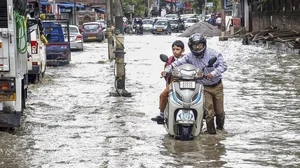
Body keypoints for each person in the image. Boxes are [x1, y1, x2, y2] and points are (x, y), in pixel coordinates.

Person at [159, 33, 227, 134]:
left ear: (204, 44)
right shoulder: (189, 57)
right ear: (191, 47)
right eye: (195, 45)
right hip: (203, 87)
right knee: (209, 112)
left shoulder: (213, 54)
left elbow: (223, 65)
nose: (198, 47)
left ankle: (220, 129)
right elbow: (177, 63)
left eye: (200, 45)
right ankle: (211, 134)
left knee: (220, 112)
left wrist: (213, 73)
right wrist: (167, 69)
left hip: (217, 86)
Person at [151, 40, 185, 123]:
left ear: (183, 50)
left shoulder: (187, 58)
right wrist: (164, 73)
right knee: (163, 95)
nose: (175, 51)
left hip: (188, 81)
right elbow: (166, 70)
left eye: (177, 49)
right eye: (173, 49)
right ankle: (162, 115)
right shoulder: (169, 60)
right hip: (174, 82)